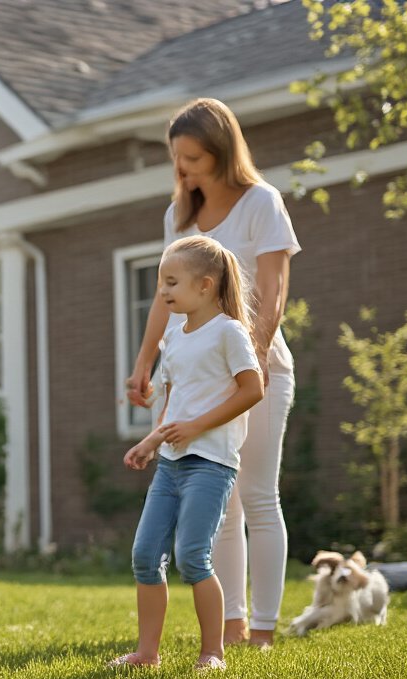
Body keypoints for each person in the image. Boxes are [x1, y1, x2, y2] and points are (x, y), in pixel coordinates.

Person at [126, 98, 300, 648]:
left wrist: (258, 353)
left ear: (223, 152)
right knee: (216, 504)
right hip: (190, 369)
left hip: (256, 366)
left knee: (256, 496)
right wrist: (144, 364)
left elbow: (273, 291)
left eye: (194, 158)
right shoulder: (176, 218)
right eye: (177, 159)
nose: (184, 170)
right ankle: (230, 623)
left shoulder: (261, 203)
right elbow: (163, 297)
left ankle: (265, 629)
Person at [112, 235, 264, 671]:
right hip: (171, 464)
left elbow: (252, 390)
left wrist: (198, 427)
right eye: (161, 282)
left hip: (211, 464)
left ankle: (212, 652)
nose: (162, 291)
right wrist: (151, 440)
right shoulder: (175, 337)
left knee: (193, 556)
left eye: (171, 282)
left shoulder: (229, 332)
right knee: (145, 555)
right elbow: (176, 404)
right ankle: (146, 653)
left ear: (205, 285)